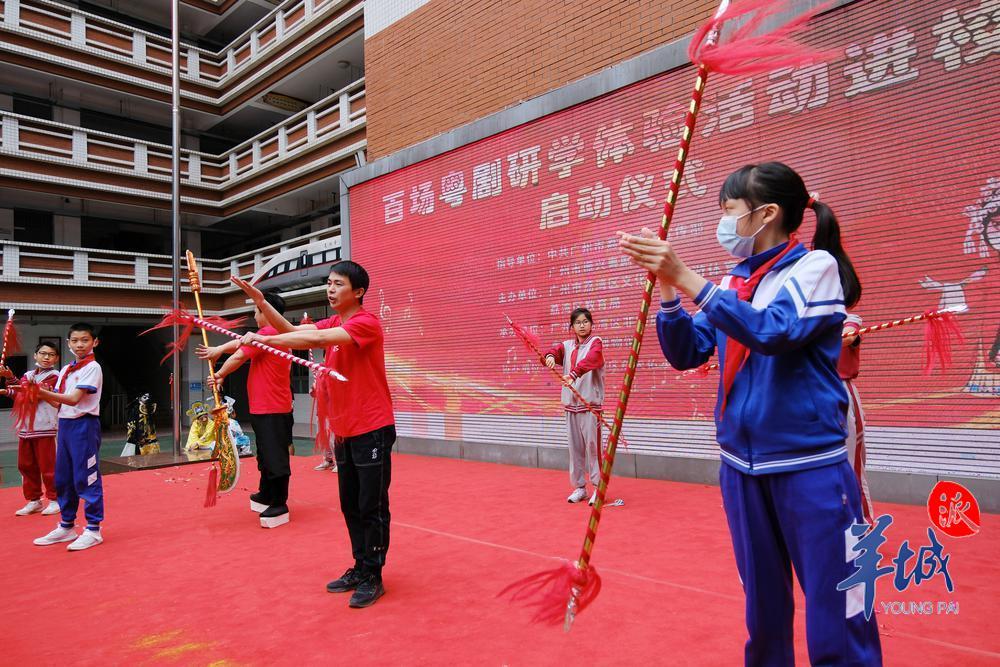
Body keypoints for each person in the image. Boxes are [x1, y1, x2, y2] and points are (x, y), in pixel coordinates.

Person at [620, 162, 881, 665]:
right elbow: (689, 351)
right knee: (762, 608)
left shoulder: (815, 270)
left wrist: (688, 277)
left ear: (766, 214)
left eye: (729, 212)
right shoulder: (733, 282)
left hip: (808, 467)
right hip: (740, 468)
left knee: (839, 606)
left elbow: (773, 331)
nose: (725, 224)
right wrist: (669, 290)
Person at [231, 260, 395, 609]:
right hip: (346, 428)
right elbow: (291, 328)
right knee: (350, 505)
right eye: (329, 284)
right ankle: (360, 566)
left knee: (372, 506)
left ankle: (373, 575)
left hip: (373, 429)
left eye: (338, 284)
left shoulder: (366, 323)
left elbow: (315, 337)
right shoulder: (336, 320)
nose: (330, 290)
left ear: (359, 291)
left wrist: (261, 336)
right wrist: (262, 302)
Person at [199, 290, 294, 527]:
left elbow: (240, 355)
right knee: (265, 454)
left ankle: (279, 502)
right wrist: (219, 350)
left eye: (257, 311)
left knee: (274, 457)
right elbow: (240, 342)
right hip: (265, 407)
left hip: (274, 408)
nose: (255, 314)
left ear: (266, 313)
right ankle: (267, 494)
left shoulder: (271, 333)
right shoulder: (269, 334)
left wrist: (219, 374)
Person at [31, 323, 106, 551]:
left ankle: (93, 529)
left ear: (95, 342)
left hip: (84, 426)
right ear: (68, 343)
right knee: (63, 478)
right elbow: (57, 402)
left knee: (86, 477)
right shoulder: (66, 369)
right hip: (64, 425)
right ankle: (66, 526)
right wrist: (29, 391)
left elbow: (74, 399)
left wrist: (39, 390)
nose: (79, 344)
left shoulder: (92, 367)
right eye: (75, 340)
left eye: (84, 340)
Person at [543, 307, 605, 505]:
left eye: (586, 321)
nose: (582, 325)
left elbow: (592, 360)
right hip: (571, 407)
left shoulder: (596, 343)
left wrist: (574, 374)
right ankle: (580, 488)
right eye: (578, 322)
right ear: (572, 327)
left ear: (591, 324)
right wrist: (550, 357)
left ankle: (598, 488)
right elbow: (552, 352)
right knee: (575, 450)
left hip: (590, 406)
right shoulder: (567, 345)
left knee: (593, 448)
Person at [1, 342, 61, 516]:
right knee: (26, 466)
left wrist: (12, 381)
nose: (46, 357)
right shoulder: (28, 374)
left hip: (46, 427)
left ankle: (55, 499)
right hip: (26, 428)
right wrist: (9, 385)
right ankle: (34, 500)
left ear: (56, 358)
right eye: (43, 353)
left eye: (51, 354)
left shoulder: (55, 376)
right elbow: (20, 395)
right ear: (35, 355)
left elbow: (33, 395)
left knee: (49, 466)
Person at [841, 313, 874, 524]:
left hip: (840, 392)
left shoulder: (847, 319)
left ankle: (862, 524)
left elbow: (848, 337)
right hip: (810, 394)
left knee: (852, 464)